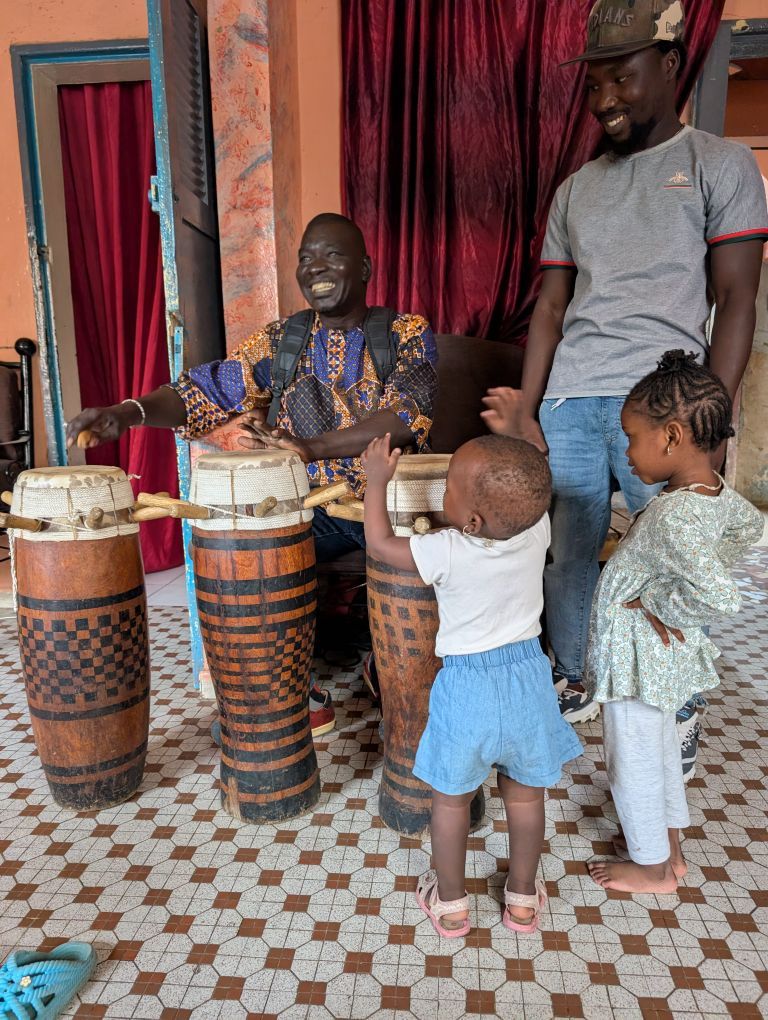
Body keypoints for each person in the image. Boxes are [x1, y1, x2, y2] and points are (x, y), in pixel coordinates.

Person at [481, 0, 768, 771]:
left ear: (670, 67)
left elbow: (737, 297)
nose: (605, 98)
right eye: (596, 82)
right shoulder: (576, 190)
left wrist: (709, 418)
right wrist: (533, 413)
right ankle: (574, 678)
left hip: (665, 405)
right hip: (574, 396)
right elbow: (549, 307)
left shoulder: (721, 164)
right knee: (568, 551)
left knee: (669, 555)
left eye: (624, 77)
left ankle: (676, 700)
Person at [65, 212, 439, 737]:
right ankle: (285, 688)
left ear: (366, 266)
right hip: (311, 509)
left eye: (331, 255)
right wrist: (127, 413)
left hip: (389, 501)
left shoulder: (403, 332)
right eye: (306, 259)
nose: (316, 268)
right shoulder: (282, 341)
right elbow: (203, 390)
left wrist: (311, 446)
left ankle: (397, 673)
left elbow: (406, 415)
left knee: (424, 547)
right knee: (243, 549)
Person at [361, 432, 582, 937]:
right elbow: (523, 491)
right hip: (529, 679)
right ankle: (523, 899)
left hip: (467, 688)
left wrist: (377, 483)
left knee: (451, 800)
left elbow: (379, 542)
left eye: (449, 487)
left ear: (473, 520)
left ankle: (452, 903)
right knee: (526, 798)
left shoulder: (446, 550)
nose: (444, 495)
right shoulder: (536, 531)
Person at [583, 351, 763, 894]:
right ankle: (670, 848)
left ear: (671, 437)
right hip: (662, 663)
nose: (627, 452)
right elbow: (749, 527)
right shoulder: (708, 493)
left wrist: (660, 604)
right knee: (658, 750)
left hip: (641, 662)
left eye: (632, 438)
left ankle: (653, 868)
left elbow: (720, 596)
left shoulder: (674, 514)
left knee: (633, 760)